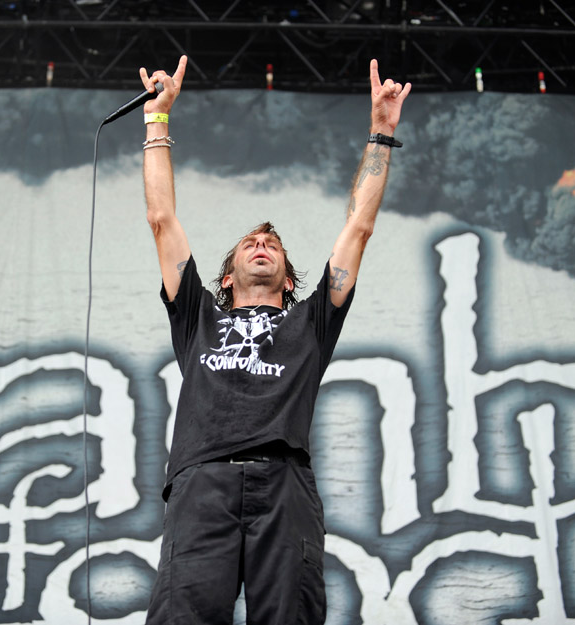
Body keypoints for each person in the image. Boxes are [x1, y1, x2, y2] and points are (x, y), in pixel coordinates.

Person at [139, 55, 410, 625]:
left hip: (284, 481)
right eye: (249, 243)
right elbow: (162, 219)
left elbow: (358, 226)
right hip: (202, 479)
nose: (261, 243)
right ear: (225, 276)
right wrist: (157, 121)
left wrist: (381, 133)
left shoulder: (311, 321)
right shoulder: (196, 315)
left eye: (272, 243)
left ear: (288, 278)